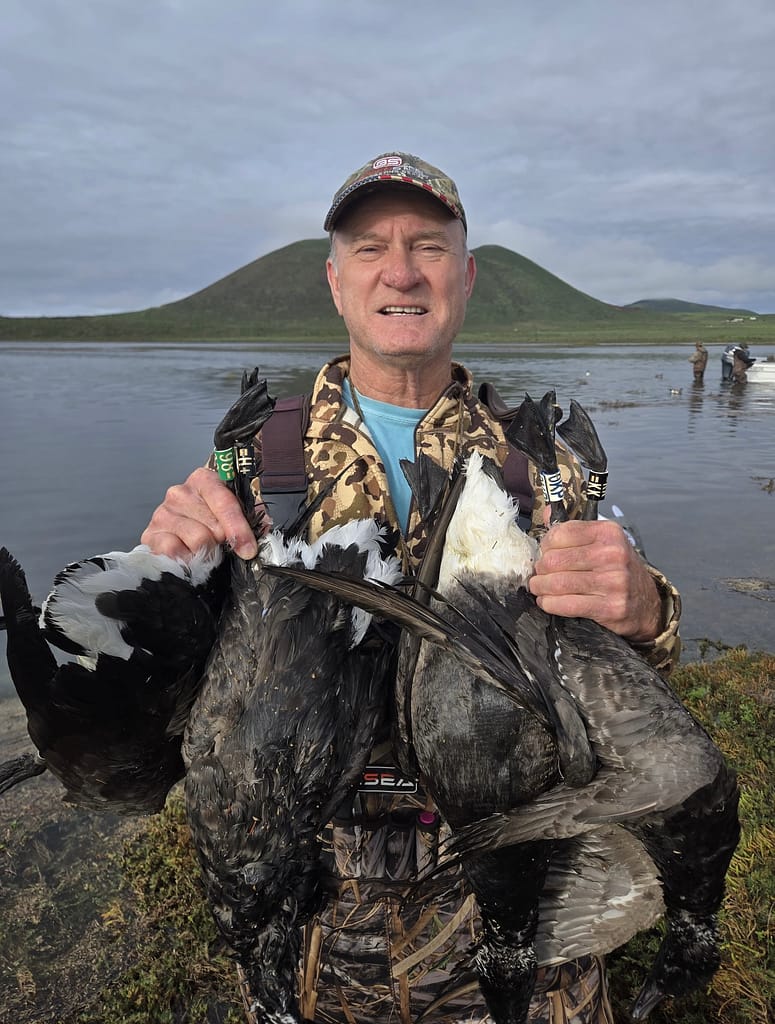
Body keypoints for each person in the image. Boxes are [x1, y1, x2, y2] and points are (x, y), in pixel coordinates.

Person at [142, 152, 681, 1024]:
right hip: (317, 940)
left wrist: (646, 607)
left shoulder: (545, 461)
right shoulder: (252, 459)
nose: (400, 271)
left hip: (527, 919)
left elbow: (636, 674)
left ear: (465, 278)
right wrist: (163, 579)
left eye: (428, 246)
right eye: (369, 247)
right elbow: (196, 690)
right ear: (335, 281)